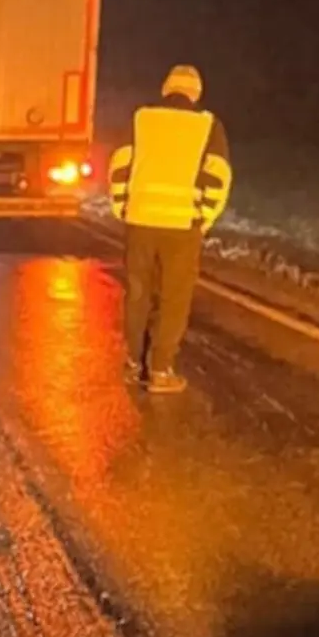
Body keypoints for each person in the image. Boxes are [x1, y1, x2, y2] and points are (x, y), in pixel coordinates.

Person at [107, 64, 233, 394]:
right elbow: (218, 177)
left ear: (166, 89)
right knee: (174, 299)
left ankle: (134, 365)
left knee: (137, 293)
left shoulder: (142, 118)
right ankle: (161, 370)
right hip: (182, 227)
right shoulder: (208, 125)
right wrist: (203, 218)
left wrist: (122, 205)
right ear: (196, 92)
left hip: (141, 221)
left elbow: (120, 165)